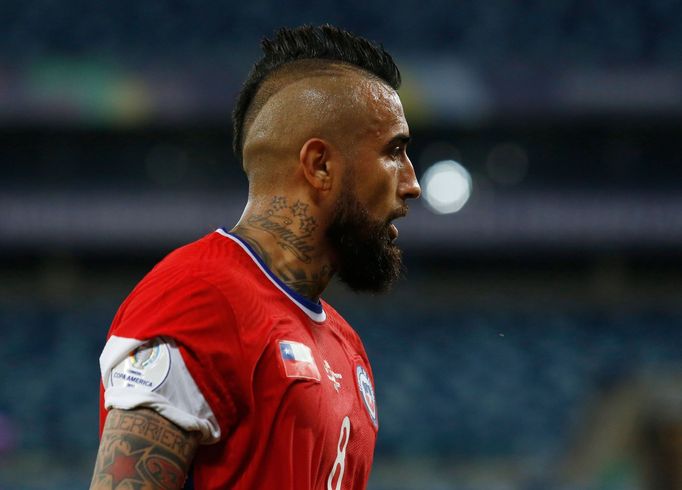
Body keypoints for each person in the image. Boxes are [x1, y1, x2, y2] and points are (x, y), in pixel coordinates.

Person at [90, 24, 420, 490]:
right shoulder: (199, 300)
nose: (412, 183)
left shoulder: (348, 349)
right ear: (319, 165)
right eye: (395, 151)